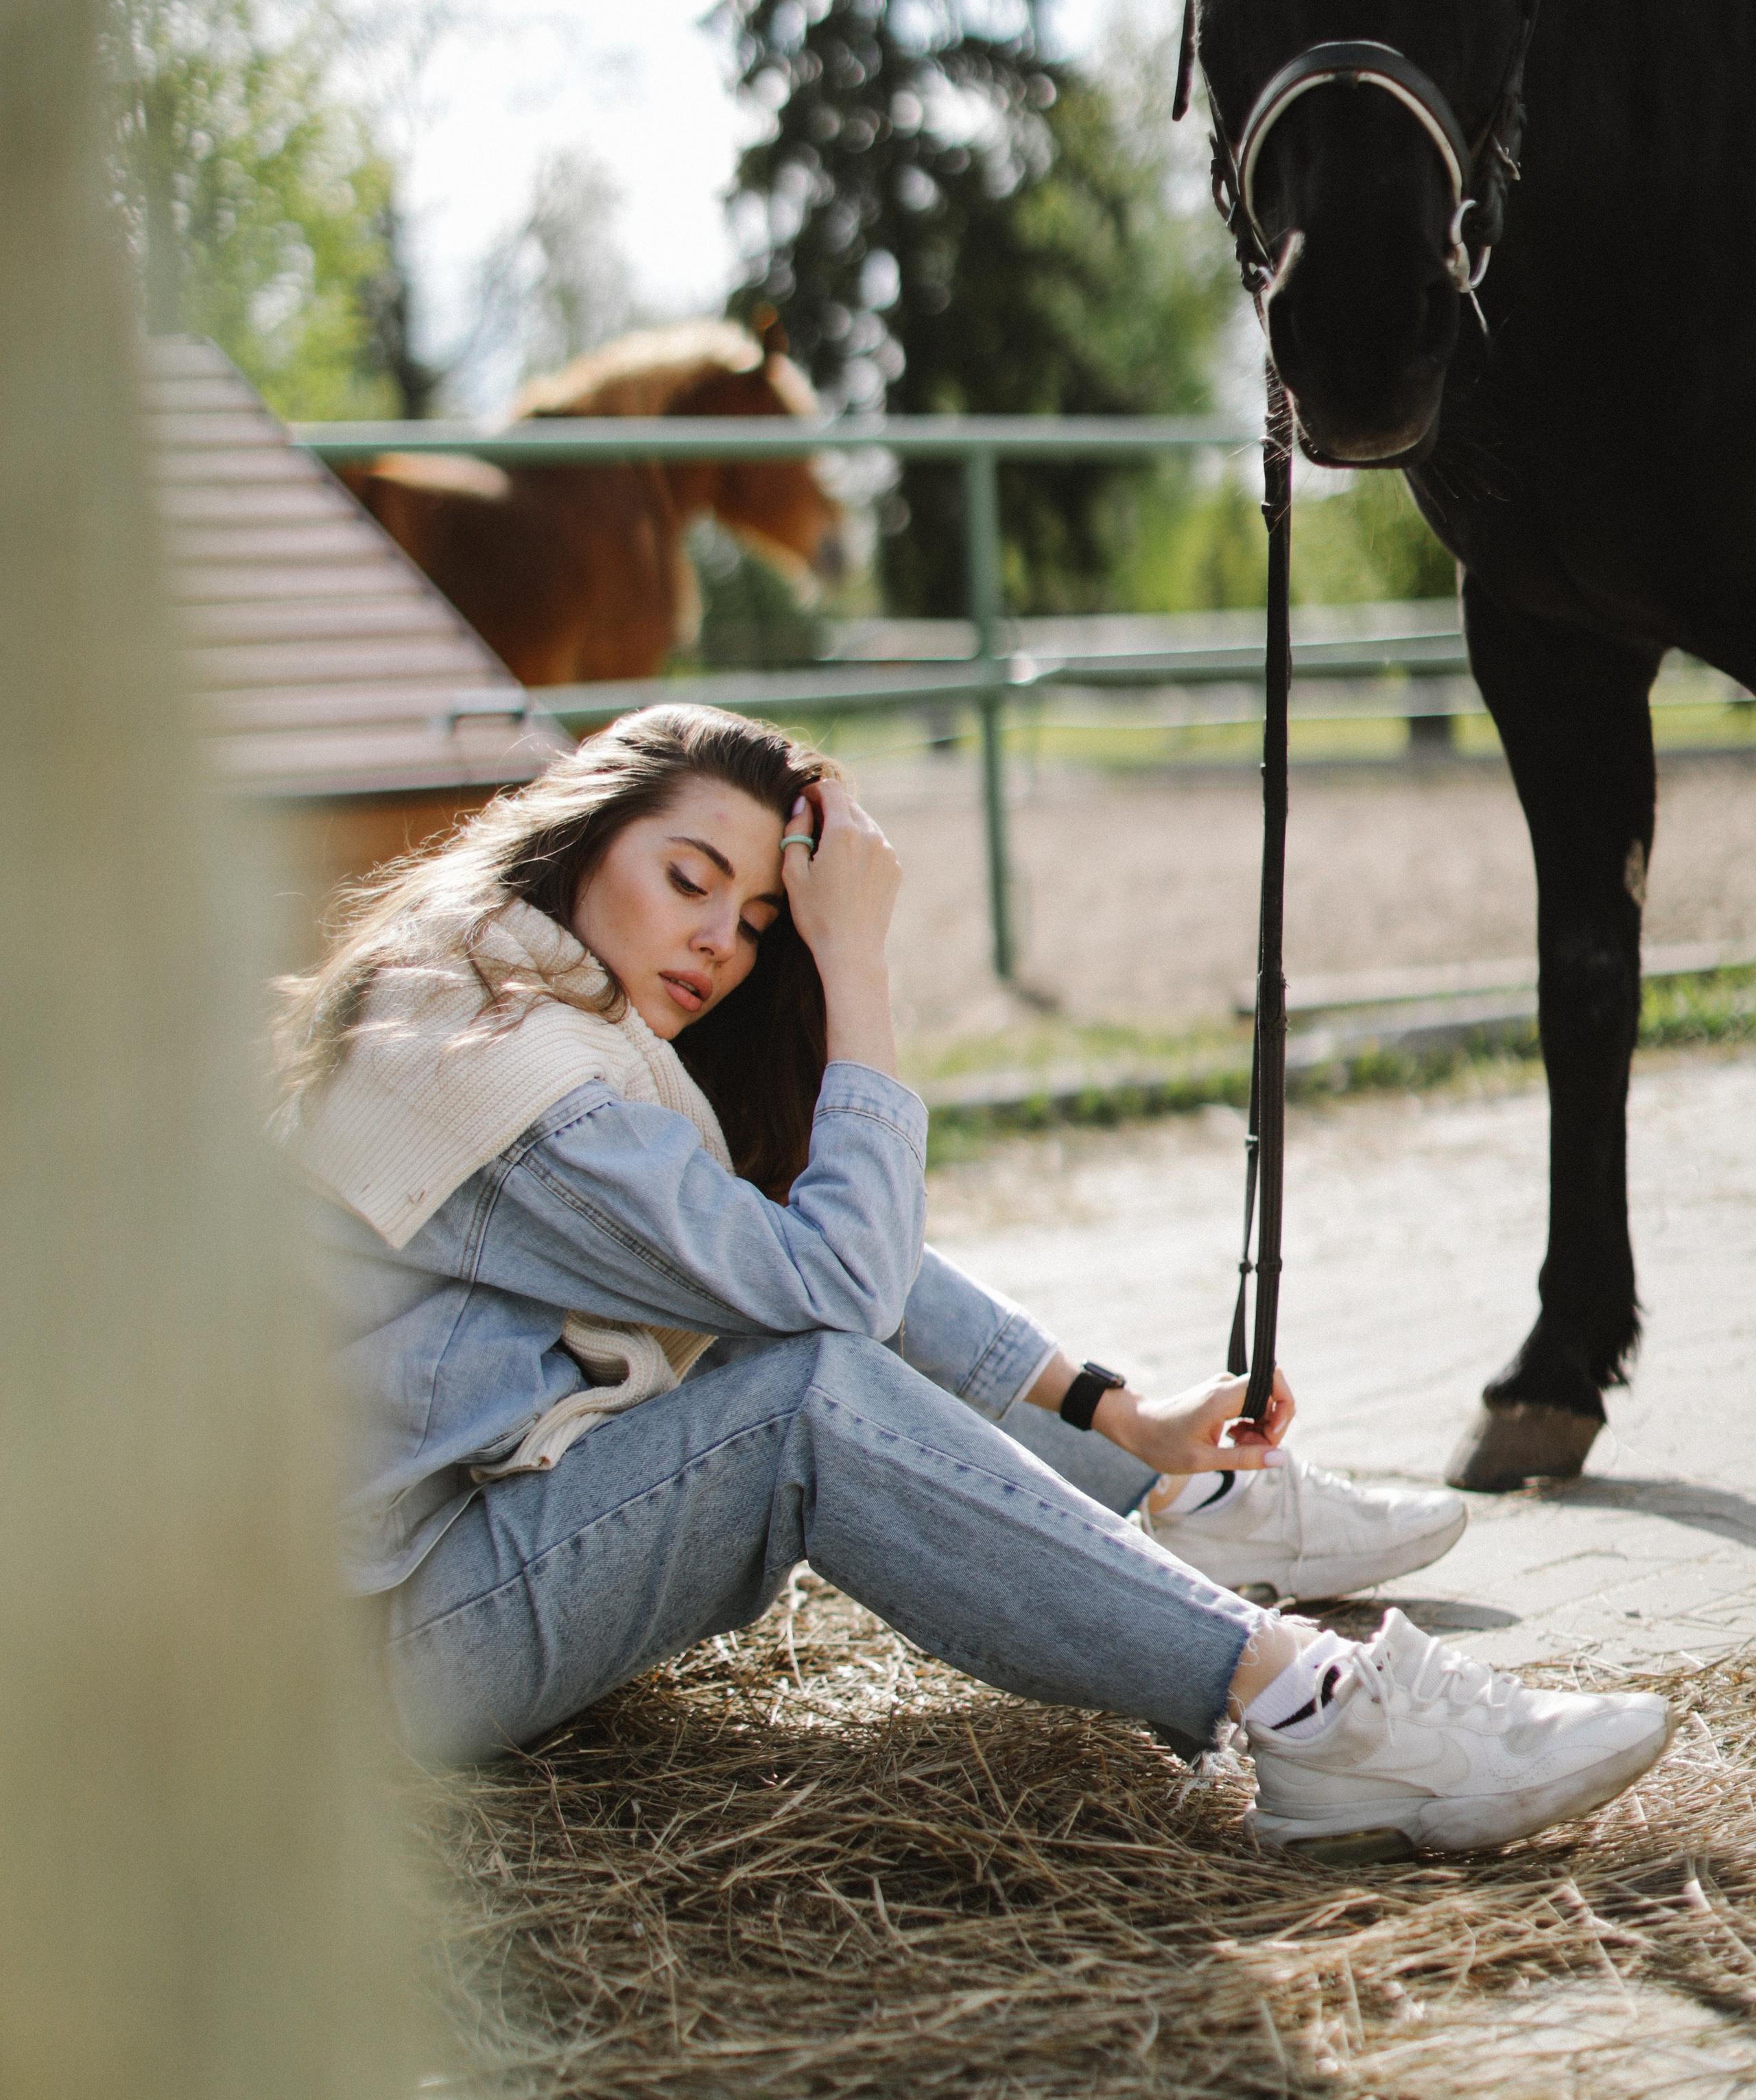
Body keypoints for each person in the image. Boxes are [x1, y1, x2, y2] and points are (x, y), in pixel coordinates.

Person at [278, 705, 1672, 1859]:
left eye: (761, 916)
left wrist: (1114, 1416)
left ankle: (1174, 1507)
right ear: (582, 838)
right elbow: (833, 1288)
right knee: (802, 1397)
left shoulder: (492, 988)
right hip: (368, 1655)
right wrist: (853, 963)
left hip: (404, 1595)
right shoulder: (511, 1076)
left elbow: (788, 1244)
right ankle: (1316, 1717)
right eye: (689, 879)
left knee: (799, 1320)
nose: (720, 940)